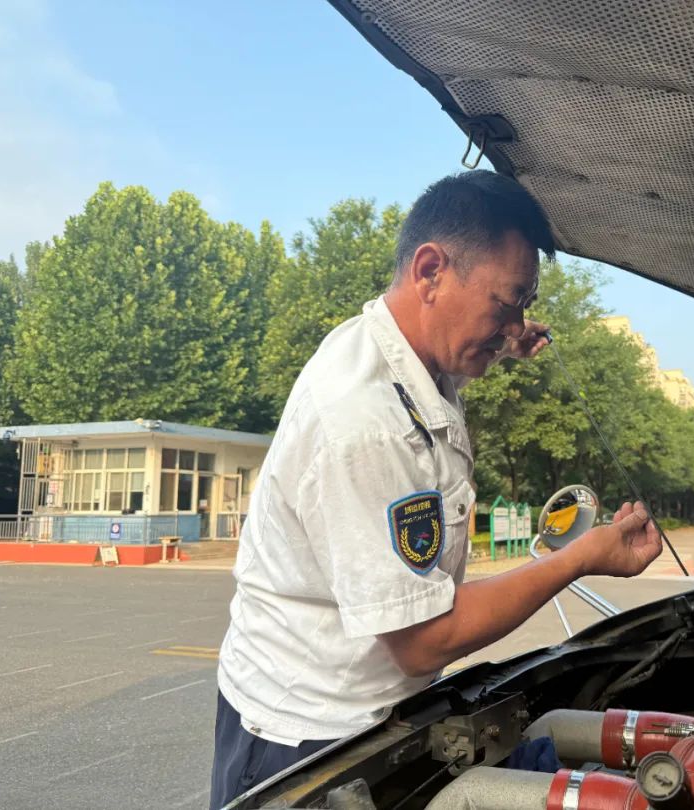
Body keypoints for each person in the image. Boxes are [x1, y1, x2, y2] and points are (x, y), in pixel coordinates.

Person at [211, 170, 662, 808]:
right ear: (430, 271)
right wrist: (581, 558)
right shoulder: (363, 422)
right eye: (507, 303)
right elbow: (424, 638)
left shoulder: (406, 354)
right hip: (308, 741)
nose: (517, 324)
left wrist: (499, 340)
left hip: (379, 709)